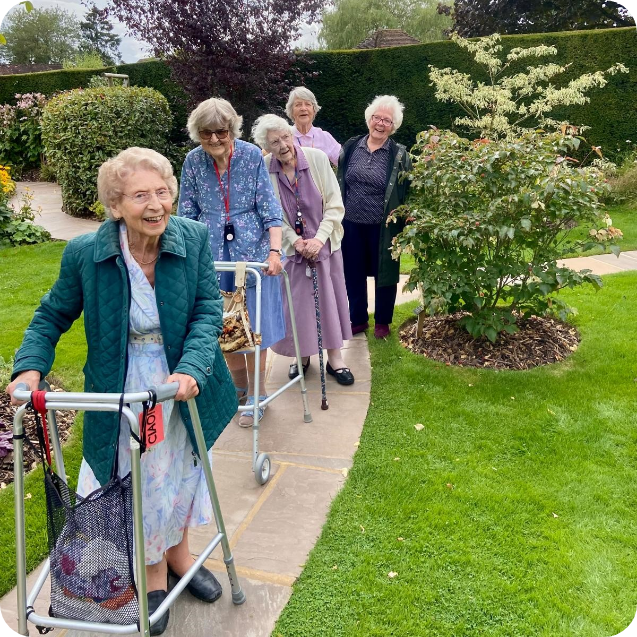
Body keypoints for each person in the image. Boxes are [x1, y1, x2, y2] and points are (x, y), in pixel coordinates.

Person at [6, 147, 237, 636]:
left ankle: (180, 558)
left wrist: (192, 368)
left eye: (162, 192)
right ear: (115, 206)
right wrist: (29, 368)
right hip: (123, 386)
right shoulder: (85, 254)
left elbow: (205, 312)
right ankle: (153, 576)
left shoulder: (192, 238)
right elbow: (51, 315)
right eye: (140, 196)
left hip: (180, 383)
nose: (156, 204)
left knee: (182, 471)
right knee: (145, 480)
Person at [177, 97, 285, 427]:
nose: (213, 140)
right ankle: (239, 388)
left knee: (254, 329)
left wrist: (275, 252)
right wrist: (185, 257)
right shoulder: (193, 162)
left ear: (232, 129)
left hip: (252, 254)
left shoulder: (251, 156)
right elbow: (186, 213)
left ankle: (258, 394)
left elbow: (269, 208)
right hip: (210, 256)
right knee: (222, 327)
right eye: (206, 133)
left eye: (220, 132)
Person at [252, 114, 354, 385]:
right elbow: (271, 214)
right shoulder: (265, 169)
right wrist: (295, 242)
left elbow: (334, 205)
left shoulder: (317, 159)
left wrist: (319, 239)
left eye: (286, 137)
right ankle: (302, 356)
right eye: (275, 142)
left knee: (329, 303)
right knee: (297, 307)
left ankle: (335, 359)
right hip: (292, 251)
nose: (283, 145)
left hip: (325, 246)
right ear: (267, 146)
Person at [337, 95, 412, 340]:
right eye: (376, 118)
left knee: (386, 274)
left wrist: (408, 215)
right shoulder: (351, 147)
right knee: (352, 271)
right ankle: (357, 319)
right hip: (351, 224)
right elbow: (340, 181)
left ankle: (382, 322)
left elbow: (408, 188)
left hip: (384, 226)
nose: (380, 124)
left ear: (394, 126)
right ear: (369, 119)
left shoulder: (399, 155)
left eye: (387, 120)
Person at [286, 86, 341, 166]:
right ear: (291, 110)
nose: (303, 108)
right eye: (298, 105)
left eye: (308, 104)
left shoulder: (324, 137)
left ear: (314, 109)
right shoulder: (285, 137)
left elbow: (344, 162)